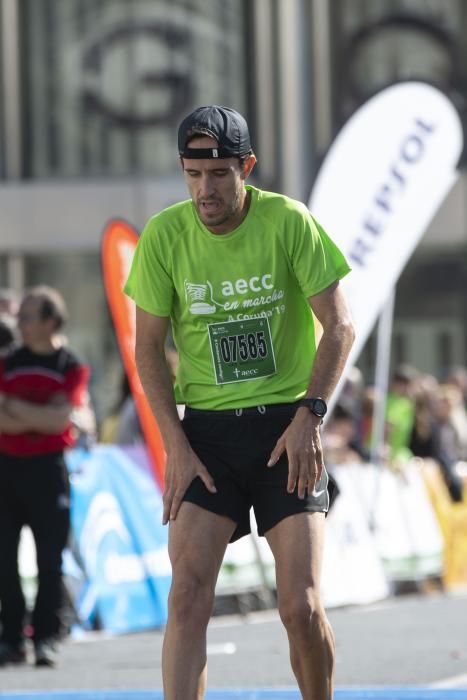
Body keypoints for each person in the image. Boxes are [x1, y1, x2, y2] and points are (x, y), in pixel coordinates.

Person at [124, 105, 355, 699]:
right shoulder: (164, 236)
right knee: (186, 597)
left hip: (286, 428)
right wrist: (174, 442)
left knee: (299, 607)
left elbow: (340, 327)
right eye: (194, 175)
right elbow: (146, 348)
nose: (207, 189)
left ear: (246, 168)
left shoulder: (288, 221)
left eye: (221, 173)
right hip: (206, 436)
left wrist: (310, 414)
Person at [0, 286, 90, 667]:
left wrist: (16, 409)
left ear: (50, 321)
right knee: (5, 559)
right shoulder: (7, 361)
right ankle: (12, 638)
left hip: (49, 470)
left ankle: (46, 637)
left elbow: (61, 420)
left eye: (26, 317)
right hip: (6, 468)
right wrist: (44, 415)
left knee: (49, 559)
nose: (18, 323)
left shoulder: (71, 365)